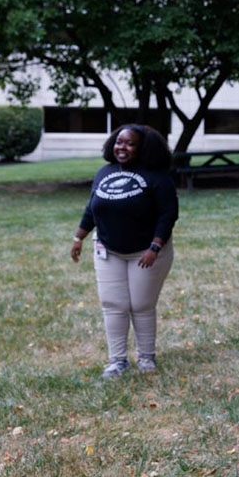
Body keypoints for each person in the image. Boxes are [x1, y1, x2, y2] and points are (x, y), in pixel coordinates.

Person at [70, 124, 179, 379]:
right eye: (119, 142)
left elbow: (168, 214)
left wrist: (155, 246)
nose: (122, 147)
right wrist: (79, 237)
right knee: (113, 304)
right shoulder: (104, 173)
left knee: (141, 304)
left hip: (147, 251)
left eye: (130, 143)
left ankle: (146, 357)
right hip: (109, 250)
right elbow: (92, 208)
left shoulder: (157, 176)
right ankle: (117, 361)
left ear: (143, 148)